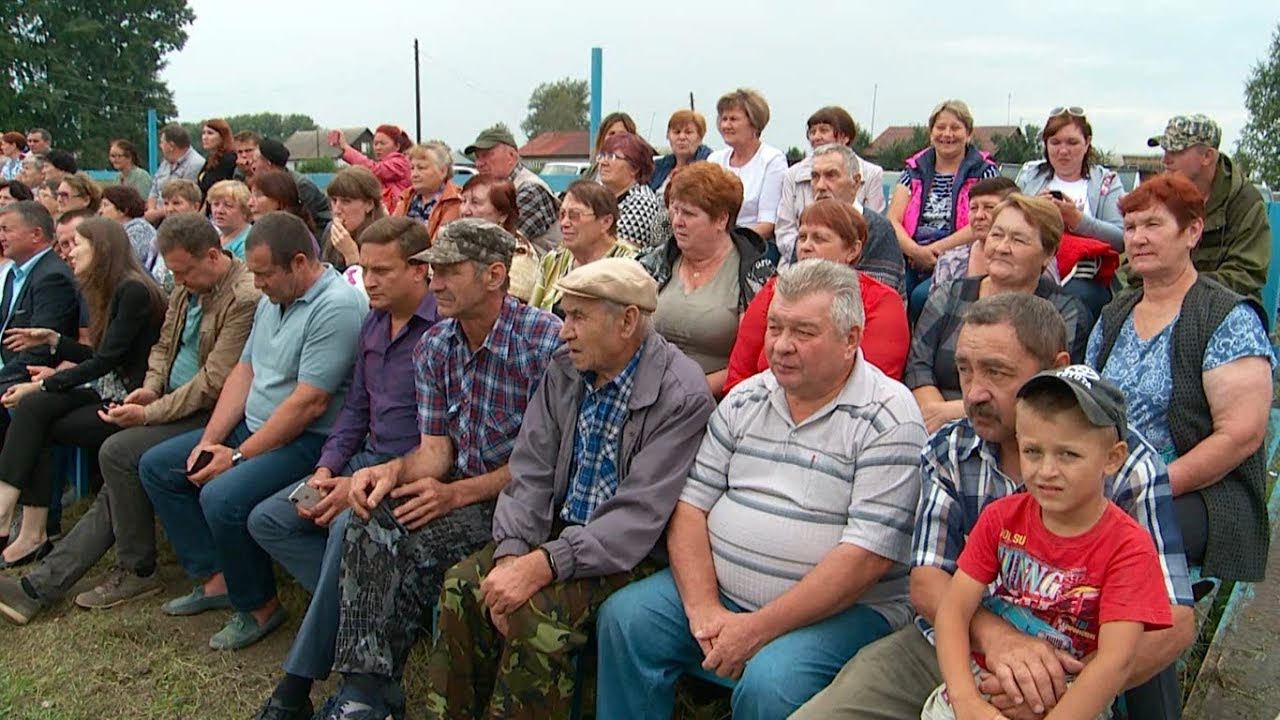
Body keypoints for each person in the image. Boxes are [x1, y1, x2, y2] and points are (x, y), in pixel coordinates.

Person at [793, 293, 1196, 720]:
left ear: (1056, 367)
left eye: (997, 372)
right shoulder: (951, 449)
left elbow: (1173, 620)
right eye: (964, 370)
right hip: (949, 643)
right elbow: (930, 582)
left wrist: (1054, 689)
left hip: (1074, 669)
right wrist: (998, 638)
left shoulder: (1125, 464)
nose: (974, 393)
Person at [597, 260, 926, 719]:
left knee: (772, 682)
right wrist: (704, 609)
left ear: (851, 339)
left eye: (804, 332)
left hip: (844, 612)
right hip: (724, 596)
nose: (782, 346)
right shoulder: (746, 397)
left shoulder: (889, 416)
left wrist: (755, 629)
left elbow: (865, 558)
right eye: (775, 327)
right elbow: (691, 507)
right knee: (627, 620)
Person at [427, 257, 716, 718]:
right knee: (465, 587)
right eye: (565, 315)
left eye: (579, 317)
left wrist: (543, 565)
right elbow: (531, 469)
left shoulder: (680, 394)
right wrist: (511, 553)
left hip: (631, 555)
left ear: (627, 321)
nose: (564, 331)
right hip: (557, 535)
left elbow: (638, 518)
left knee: (534, 612)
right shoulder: (566, 368)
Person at [311, 218, 562, 719]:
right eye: (432, 270)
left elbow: (545, 467)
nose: (436, 283)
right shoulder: (437, 346)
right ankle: (367, 692)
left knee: (415, 552)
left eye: (449, 272)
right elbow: (435, 453)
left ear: (494, 275)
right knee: (368, 516)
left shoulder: (543, 342)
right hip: (461, 489)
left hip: (521, 502)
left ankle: (369, 695)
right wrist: (390, 472)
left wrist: (457, 494)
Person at [0, 212, 259, 624]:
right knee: (117, 462)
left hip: (210, 413)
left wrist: (150, 412)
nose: (179, 281)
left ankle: (124, 570)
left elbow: (213, 382)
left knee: (120, 454)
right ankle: (47, 581)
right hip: (169, 401)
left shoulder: (243, 297)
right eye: (173, 272)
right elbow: (162, 347)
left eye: (185, 272)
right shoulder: (185, 286)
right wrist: (152, 387)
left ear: (213, 256)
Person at [138, 212, 366, 651]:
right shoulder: (271, 299)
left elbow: (309, 403)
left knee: (222, 496)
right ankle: (216, 576)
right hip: (255, 428)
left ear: (299, 263)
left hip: (308, 442)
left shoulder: (336, 306)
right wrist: (211, 440)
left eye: (263, 273)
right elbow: (244, 371)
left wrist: (238, 456)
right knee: (159, 466)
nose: (255, 282)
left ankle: (258, 605)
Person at [248, 217, 438, 720]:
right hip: (362, 459)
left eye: (382, 270)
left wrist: (357, 480)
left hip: (412, 471)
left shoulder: (443, 329)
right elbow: (355, 408)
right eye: (365, 269)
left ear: (421, 271)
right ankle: (378, 615)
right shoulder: (375, 321)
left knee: (348, 528)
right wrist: (327, 468)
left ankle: (293, 689)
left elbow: (445, 444)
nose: (368, 281)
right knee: (269, 519)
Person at [926, 367, 1173, 720]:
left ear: (1112, 458)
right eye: (1032, 451)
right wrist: (967, 701)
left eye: (1068, 455)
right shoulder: (1001, 518)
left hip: (1073, 695)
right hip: (986, 680)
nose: (1046, 470)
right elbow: (952, 610)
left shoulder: (1128, 547)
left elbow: (1114, 664)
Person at [1088, 173, 1273, 582]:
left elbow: (1241, 435)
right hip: (1112, 480)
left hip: (1200, 492)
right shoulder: (1114, 315)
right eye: (1131, 227)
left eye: (1153, 225)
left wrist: (1148, 486)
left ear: (1192, 232)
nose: (1137, 238)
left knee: (1110, 540)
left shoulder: (1226, 317)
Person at [0, 217, 167, 566]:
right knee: (34, 409)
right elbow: (101, 356)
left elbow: (107, 362)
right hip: (107, 388)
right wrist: (54, 340)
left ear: (101, 248)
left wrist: (43, 382)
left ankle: (21, 525)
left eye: (75, 244)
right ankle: (27, 528)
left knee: (36, 408)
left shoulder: (133, 289)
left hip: (132, 400)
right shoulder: (111, 288)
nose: (68, 252)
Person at [908, 194, 1092, 432]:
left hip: (1018, 430)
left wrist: (954, 413)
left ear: (1048, 253)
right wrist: (935, 415)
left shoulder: (1064, 311)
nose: (1002, 248)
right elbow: (918, 366)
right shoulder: (950, 295)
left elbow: (1049, 387)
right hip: (933, 423)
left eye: (1018, 240)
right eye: (997, 235)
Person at [726, 199, 908, 391]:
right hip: (761, 407)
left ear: (853, 250)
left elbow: (873, 385)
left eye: (819, 239)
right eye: (802, 237)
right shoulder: (773, 290)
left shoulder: (881, 301)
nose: (805, 246)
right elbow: (739, 374)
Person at [638, 161, 774, 397]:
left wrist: (687, 393)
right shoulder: (654, 263)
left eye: (689, 214)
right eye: (675, 210)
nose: (677, 221)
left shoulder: (755, 276)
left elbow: (752, 364)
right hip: (646, 395)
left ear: (721, 220)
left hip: (720, 401)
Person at [1126, 114, 1273, 303]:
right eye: (1165, 150)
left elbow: (1245, 274)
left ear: (1207, 156)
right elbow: (1133, 264)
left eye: (1176, 151)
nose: (1166, 160)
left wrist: (1179, 288)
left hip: (1221, 303)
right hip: (1159, 297)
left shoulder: (1244, 203)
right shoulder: (1162, 196)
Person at [888, 100, 1000, 320]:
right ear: (931, 133)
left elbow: (982, 222)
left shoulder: (984, 172)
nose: (947, 134)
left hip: (960, 254)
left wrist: (936, 250)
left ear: (968, 134)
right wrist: (915, 251)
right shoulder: (913, 171)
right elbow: (893, 219)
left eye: (955, 128)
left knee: (923, 297)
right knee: (893, 296)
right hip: (912, 255)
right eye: (940, 128)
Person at [1014, 107, 1126, 317]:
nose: (1063, 151)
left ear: (1087, 143)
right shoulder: (1030, 177)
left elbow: (1121, 240)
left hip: (1085, 279)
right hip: (1030, 269)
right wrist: (1035, 211)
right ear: (1045, 145)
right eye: (1055, 143)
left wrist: (1077, 219)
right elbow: (1009, 222)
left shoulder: (1106, 181)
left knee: (1069, 299)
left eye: (1072, 142)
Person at [777, 107, 887, 263]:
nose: (816, 137)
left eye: (823, 130)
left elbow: (872, 227)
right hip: (797, 266)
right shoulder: (793, 174)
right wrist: (807, 255)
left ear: (844, 136)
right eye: (812, 131)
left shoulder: (871, 174)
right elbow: (784, 230)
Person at [796, 143, 904, 291]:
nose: (820, 185)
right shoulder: (807, 225)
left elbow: (876, 295)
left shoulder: (879, 229)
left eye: (831, 175)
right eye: (815, 177)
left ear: (856, 182)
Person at [0, 202, 79, 398]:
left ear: (36, 234)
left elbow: (40, 349)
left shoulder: (53, 277)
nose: (1, 237)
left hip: (26, 376)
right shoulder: (13, 273)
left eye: (6, 230)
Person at [529, 180, 637, 313]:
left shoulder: (631, 264)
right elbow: (532, 316)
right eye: (562, 214)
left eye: (574, 216)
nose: (564, 223)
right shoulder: (552, 261)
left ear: (606, 222)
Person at [465, 126, 563, 253]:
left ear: (511, 156)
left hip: (538, 270)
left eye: (486, 155)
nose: (479, 163)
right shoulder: (496, 190)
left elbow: (503, 243)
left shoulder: (531, 190)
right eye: (477, 157)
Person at [707, 88, 786, 240]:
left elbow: (767, 224)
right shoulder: (714, 160)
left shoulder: (772, 160)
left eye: (733, 119)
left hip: (752, 244)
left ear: (754, 123)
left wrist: (728, 244)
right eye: (724, 119)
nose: (726, 125)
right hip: (713, 241)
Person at [459, 174, 540, 302]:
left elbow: (506, 303)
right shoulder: (455, 240)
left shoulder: (520, 254)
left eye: (475, 202)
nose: (465, 210)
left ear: (502, 215)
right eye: (463, 201)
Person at [598, 132, 665, 248]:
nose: (603, 162)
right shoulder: (602, 196)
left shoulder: (642, 202)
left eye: (612, 157)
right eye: (602, 155)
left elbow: (617, 252)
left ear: (635, 168)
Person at [254, 138, 333, 233]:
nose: (252, 165)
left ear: (268, 163)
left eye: (255, 160)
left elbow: (305, 220)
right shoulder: (267, 183)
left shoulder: (301, 185)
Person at [328, 124, 411, 213]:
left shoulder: (400, 163)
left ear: (397, 146)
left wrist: (346, 148)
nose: (378, 147)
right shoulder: (385, 164)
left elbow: (374, 169)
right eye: (375, 144)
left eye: (382, 143)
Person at [321, 167, 386, 275]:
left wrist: (351, 256)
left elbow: (369, 288)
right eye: (334, 200)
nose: (337, 210)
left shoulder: (383, 240)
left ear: (369, 204)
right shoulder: (329, 230)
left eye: (346, 202)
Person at [391, 141, 462, 238]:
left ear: (443, 171)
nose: (414, 174)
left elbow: (441, 244)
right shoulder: (405, 197)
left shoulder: (454, 201)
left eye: (421, 168)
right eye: (412, 168)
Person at [145, 124, 205, 223]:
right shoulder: (165, 162)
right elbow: (154, 189)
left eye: (162, 142)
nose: (160, 146)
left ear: (171, 146)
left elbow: (184, 198)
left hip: (177, 220)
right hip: (156, 218)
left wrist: (155, 214)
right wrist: (150, 211)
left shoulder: (195, 164)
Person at [963, 176, 1020, 276]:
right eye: (973, 208)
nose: (979, 215)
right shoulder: (950, 261)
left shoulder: (1029, 259)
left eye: (989, 207)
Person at [650, 110, 713, 195]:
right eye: (677, 132)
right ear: (668, 136)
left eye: (688, 132)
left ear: (700, 137)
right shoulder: (658, 167)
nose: (682, 137)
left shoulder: (710, 164)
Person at [99, 184, 157, 270]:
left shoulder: (139, 230)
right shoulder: (116, 231)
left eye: (106, 205)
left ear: (123, 210)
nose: (100, 211)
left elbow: (127, 264)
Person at [249, 170, 316, 232]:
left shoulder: (293, 236)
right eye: (250, 196)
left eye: (258, 195)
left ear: (279, 201)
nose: (249, 203)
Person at [585, 111, 638, 180]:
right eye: (612, 133)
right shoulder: (591, 173)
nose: (616, 138)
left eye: (622, 134)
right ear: (602, 137)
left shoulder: (640, 172)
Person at [207, 180, 254, 259]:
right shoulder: (215, 235)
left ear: (245, 211)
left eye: (228, 205)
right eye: (216, 204)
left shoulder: (249, 242)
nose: (219, 211)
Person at [197, 119, 239, 198]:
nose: (205, 137)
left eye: (210, 133)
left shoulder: (228, 159)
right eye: (203, 133)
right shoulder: (211, 158)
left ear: (222, 136)